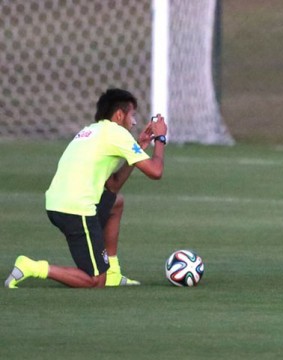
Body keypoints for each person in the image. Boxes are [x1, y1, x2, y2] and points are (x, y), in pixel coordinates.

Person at [5, 88, 168, 288]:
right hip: (75, 210)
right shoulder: (116, 133)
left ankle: (114, 273)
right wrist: (160, 139)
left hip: (58, 204)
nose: (134, 122)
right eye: (132, 115)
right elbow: (156, 171)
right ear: (119, 115)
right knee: (95, 281)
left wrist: (140, 147)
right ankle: (32, 267)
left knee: (115, 203)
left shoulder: (91, 130)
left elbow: (113, 185)